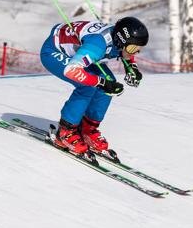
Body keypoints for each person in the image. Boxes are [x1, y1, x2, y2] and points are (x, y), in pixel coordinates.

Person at [40, 17, 149, 155]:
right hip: (53, 51)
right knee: (88, 86)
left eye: (139, 49)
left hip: (80, 52)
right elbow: (71, 71)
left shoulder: (118, 39)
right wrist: (101, 83)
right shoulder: (98, 45)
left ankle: (88, 129)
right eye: (133, 48)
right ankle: (65, 131)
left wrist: (131, 67)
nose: (135, 52)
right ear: (121, 41)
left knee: (110, 82)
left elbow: (127, 50)